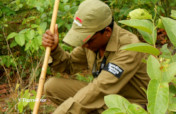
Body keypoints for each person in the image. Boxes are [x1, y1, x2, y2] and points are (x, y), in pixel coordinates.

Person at [42, 0, 150, 113]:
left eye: (88, 40)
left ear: (107, 32)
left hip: (132, 104)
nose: (84, 45)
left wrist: (62, 111)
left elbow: (101, 87)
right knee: (52, 87)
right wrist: (54, 50)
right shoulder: (91, 44)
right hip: (106, 97)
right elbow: (70, 64)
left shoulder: (129, 47)